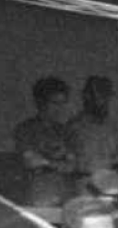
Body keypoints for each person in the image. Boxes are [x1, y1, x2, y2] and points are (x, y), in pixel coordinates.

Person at [9, 76, 80, 207]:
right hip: (37, 195)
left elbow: (72, 165)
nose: (59, 108)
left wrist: (46, 162)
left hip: (65, 196)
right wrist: (59, 163)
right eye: (54, 103)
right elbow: (31, 162)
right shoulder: (26, 129)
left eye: (63, 103)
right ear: (40, 102)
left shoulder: (67, 132)